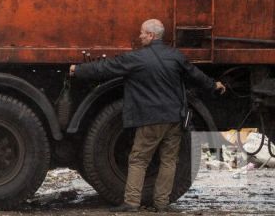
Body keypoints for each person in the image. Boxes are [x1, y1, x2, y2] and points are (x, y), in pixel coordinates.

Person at [69, 19, 226, 212]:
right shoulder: (175, 56)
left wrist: (79, 69)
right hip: (175, 118)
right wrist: (214, 85)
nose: (140, 35)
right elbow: (196, 76)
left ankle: (132, 202)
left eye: (143, 32)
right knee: (169, 161)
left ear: (151, 35)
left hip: (151, 119)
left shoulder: (137, 58)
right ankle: (161, 203)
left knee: (138, 159)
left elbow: (105, 68)